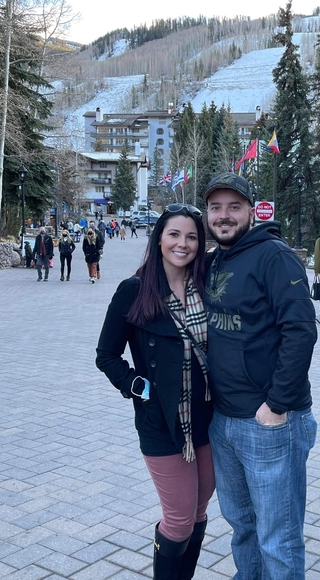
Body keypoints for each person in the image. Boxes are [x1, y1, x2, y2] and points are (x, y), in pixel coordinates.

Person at [202, 172, 317, 580]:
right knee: (243, 527)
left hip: (269, 423)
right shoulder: (215, 260)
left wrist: (276, 405)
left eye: (234, 207)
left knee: (278, 537)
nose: (224, 215)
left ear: (251, 211)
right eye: (216, 207)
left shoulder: (274, 256)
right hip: (224, 421)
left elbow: (301, 331)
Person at [96, 204, 214, 579]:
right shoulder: (135, 290)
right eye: (174, 234)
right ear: (159, 238)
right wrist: (139, 388)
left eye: (192, 237)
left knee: (198, 512)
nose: (183, 244)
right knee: (178, 520)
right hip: (161, 422)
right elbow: (106, 355)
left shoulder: (207, 285)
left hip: (208, 420)